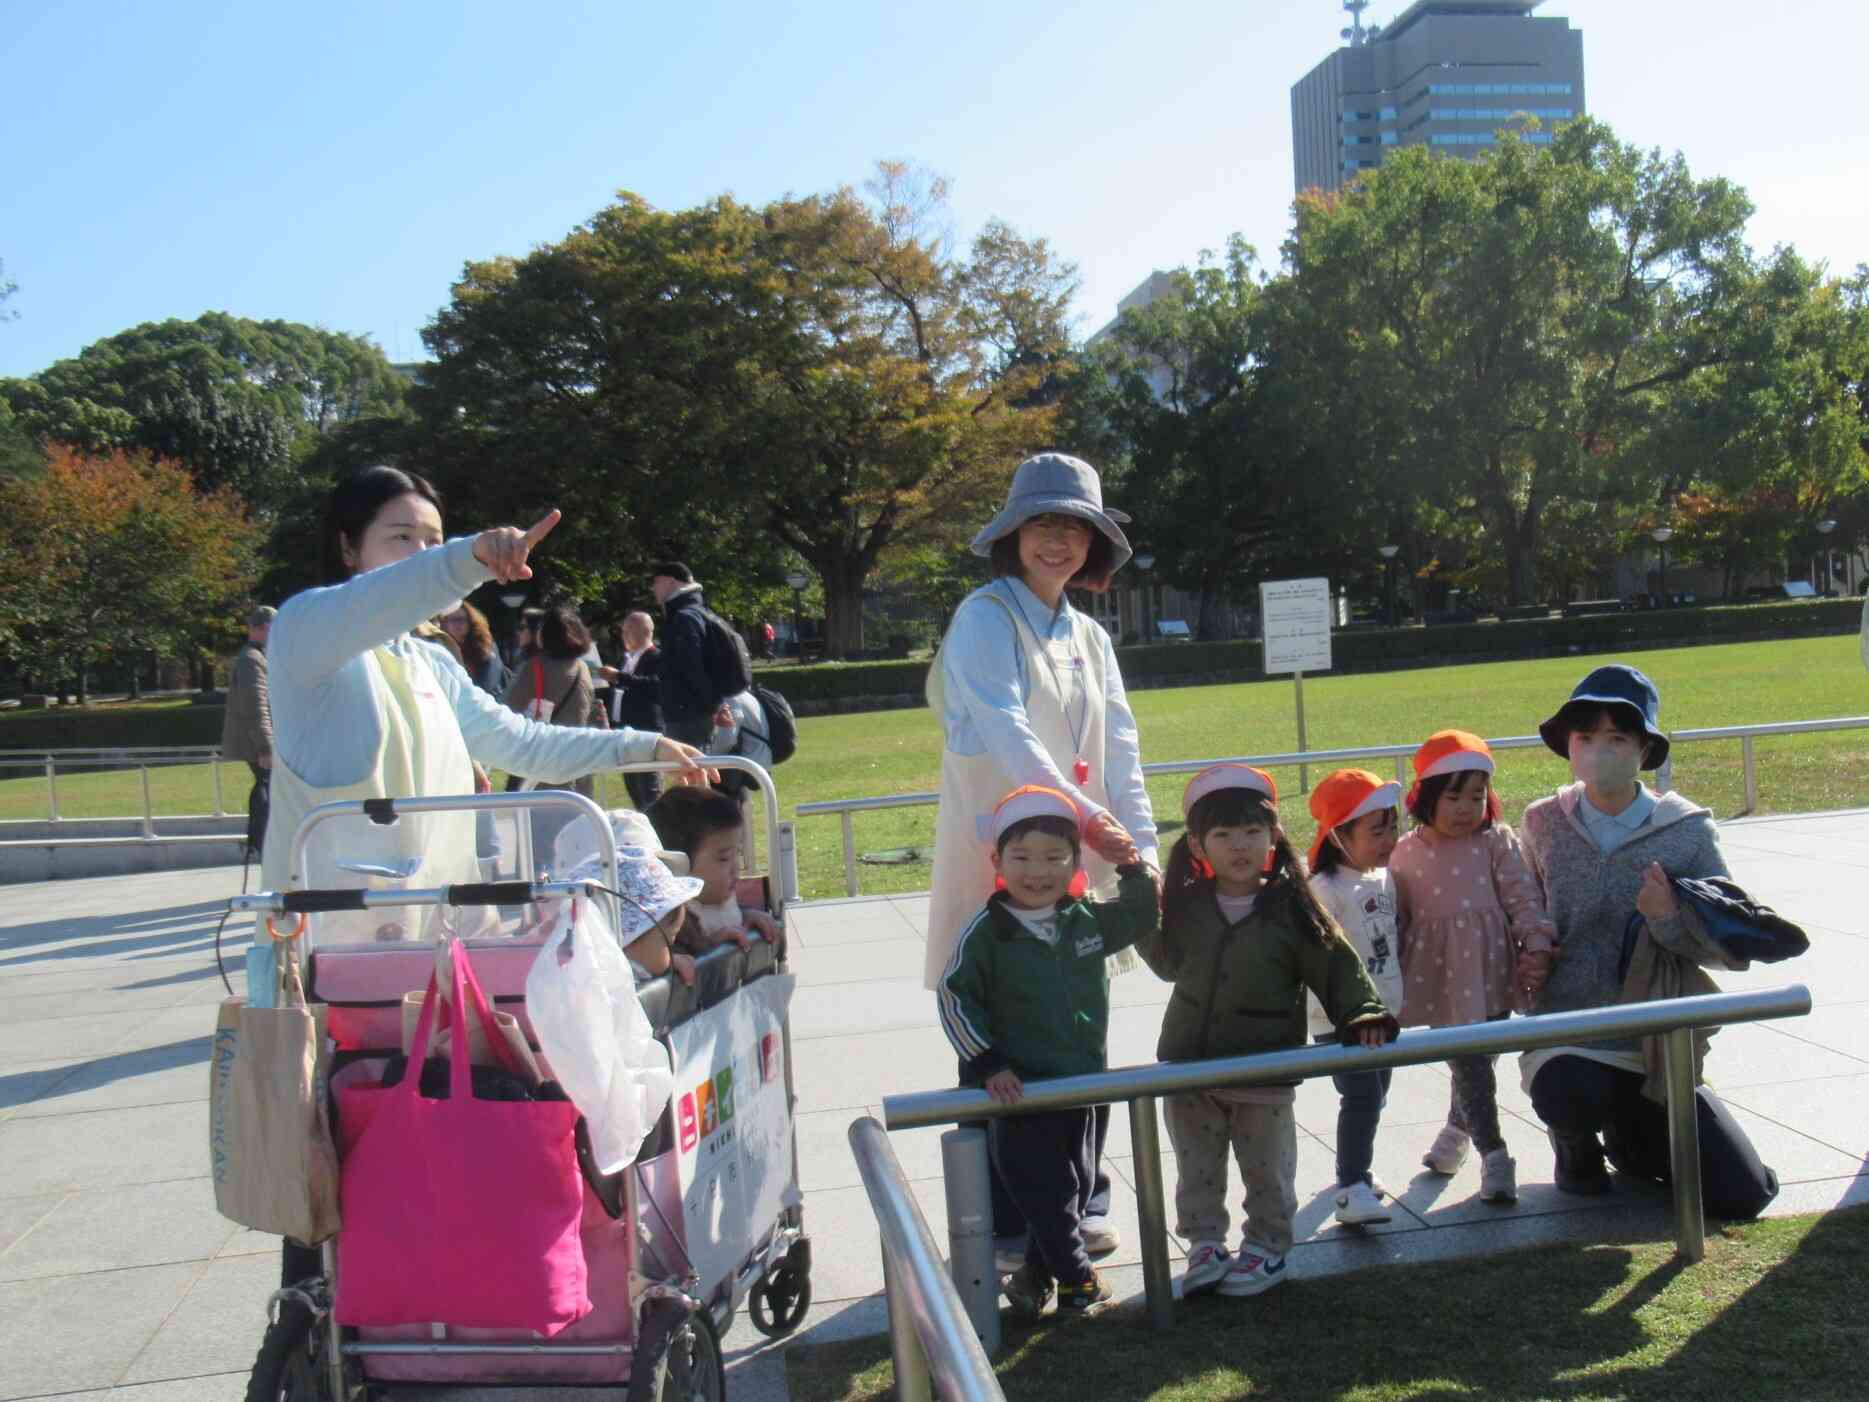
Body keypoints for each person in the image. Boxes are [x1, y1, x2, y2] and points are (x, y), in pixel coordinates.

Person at [264, 466, 713, 939]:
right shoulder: (301, 630)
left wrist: (644, 747)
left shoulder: (429, 661)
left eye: (433, 541)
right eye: (402, 537)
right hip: (324, 961)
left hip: (436, 951)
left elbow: (522, 743)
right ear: (348, 548)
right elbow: (399, 591)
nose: (421, 553)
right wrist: (470, 557)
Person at [926, 451, 1160, 1266]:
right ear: (1014, 534)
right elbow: (1004, 729)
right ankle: (1000, 1216)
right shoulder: (985, 617)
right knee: (994, 1018)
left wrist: (1142, 845)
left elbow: (1121, 744)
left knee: (1075, 1019)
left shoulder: (1089, 635)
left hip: (1079, 859)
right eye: (1043, 523)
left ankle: (1080, 1198)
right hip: (1004, 851)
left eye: (1074, 527)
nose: (1057, 541)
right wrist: (1091, 820)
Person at [1518, 665, 1779, 1217]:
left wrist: (1665, 919)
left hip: (1657, 1043)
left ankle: (1632, 1139)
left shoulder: (1687, 830)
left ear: (1645, 749)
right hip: (1569, 1032)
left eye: (1617, 738)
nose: (1598, 751)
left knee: (1744, 1194)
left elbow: (1728, 948)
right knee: (1571, 1094)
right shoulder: (1541, 822)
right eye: (1586, 737)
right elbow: (1528, 912)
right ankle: (1576, 1141)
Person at [1134, 765, 1396, 1299]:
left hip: (1264, 1065)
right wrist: (1141, 907)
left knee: (1267, 1169)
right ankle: (1205, 1242)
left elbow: (1336, 964)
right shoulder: (1188, 909)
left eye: (1252, 832)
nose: (1239, 846)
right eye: (1224, 835)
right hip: (1191, 1065)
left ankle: (1268, 1246)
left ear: (1273, 837)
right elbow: (1165, 963)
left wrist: (1362, 1010)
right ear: (1198, 845)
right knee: (1196, 1168)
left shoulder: (1292, 908)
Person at [936, 786, 1156, 1321]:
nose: (1039, 871)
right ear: (998, 861)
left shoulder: (1083, 919)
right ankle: (1079, 1279)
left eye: (1055, 857)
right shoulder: (987, 934)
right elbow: (954, 998)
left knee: (1074, 1185)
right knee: (1049, 1187)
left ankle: (1034, 1277)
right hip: (1021, 1092)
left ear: (1076, 862)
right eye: (1023, 857)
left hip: (1082, 1084)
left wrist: (1130, 864)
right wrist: (988, 1063)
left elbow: (1140, 917)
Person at [1390, 731, 1557, 1205]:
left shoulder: (1494, 842)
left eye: (1477, 796)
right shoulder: (1404, 851)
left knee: (1475, 1064)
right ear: (1426, 796)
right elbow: (1395, 916)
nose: (1466, 808)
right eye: (1454, 796)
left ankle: (1459, 1136)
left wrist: (1537, 945)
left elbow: (1522, 897)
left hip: (1492, 969)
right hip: (1440, 975)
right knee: (1470, 1065)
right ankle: (1494, 1152)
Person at [1306, 768, 1405, 1227]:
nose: (1387, 840)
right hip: (1342, 1020)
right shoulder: (1325, 891)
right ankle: (1352, 1186)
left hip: (1383, 1013)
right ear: (1338, 834)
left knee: (1376, 1096)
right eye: (1375, 830)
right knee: (1362, 1097)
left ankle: (1357, 1173)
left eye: (1392, 827)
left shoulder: (1383, 878)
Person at [503, 603, 608, 863]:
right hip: (579, 763)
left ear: (544, 635)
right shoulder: (583, 668)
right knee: (573, 846)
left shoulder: (535, 667)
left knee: (537, 848)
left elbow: (507, 709)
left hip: (543, 764)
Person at [645, 785, 781, 953]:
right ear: (677, 867)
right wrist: (709, 947)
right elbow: (667, 963)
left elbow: (726, 914)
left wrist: (746, 916)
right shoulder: (667, 923)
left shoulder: (720, 897)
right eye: (724, 858)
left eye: (737, 854)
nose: (735, 868)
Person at [651, 562, 725, 750]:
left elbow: (691, 666)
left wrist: (710, 705)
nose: (653, 588)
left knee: (690, 774)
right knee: (694, 772)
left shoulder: (683, 618)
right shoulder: (697, 612)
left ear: (670, 582)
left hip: (688, 713)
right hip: (693, 711)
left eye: (656, 582)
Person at [221, 605, 276, 859]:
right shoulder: (251, 660)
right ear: (263, 628)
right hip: (258, 744)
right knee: (267, 790)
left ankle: (264, 845)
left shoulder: (257, 657)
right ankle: (262, 845)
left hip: (259, 740)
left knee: (270, 791)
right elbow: (256, 706)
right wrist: (265, 746)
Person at [601, 611, 664, 810]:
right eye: (623, 631)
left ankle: (658, 829)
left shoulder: (656, 656)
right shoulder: (627, 658)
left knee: (649, 788)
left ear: (644, 631)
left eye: (628, 631)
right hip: (624, 729)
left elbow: (655, 686)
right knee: (633, 786)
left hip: (645, 728)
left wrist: (620, 677)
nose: (623, 636)